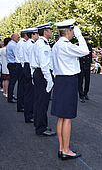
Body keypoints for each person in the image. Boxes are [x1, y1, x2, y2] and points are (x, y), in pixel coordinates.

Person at [51, 19, 89, 160]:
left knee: (61, 117)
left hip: (61, 80)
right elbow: (85, 51)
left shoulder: (56, 45)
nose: (74, 33)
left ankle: (62, 148)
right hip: (68, 81)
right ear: (68, 31)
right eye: (73, 30)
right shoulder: (66, 45)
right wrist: (80, 36)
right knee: (67, 118)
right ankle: (66, 150)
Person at [30, 22, 56, 136]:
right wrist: (49, 80)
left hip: (38, 73)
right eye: (50, 30)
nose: (51, 32)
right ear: (45, 31)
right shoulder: (42, 45)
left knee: (38, 101)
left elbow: (32, 60)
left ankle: (39, 124)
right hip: (42, 74)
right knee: (42, 102)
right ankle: (41, 128)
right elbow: (44, 64)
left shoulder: (38, 43)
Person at [22, 28, 39, 123]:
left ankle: (28, 114)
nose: (38, 36)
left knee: (28, 92)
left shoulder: (27, 43)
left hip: (26, 66)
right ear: (33, 35)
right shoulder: (32, 45)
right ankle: (29, 115)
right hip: (29, 67)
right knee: (30, 93)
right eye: (37, 34)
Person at [15, 30, 29, 112]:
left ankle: (21, 105)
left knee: (22, 86)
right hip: (21, 65)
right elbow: (21, 56)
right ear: (26, 35)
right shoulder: (22, 43)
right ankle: (21, 105)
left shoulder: (21, 42)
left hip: (20, 65)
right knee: (22, 87)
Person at [78, 34, 92, 103]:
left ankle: (86, 93)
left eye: (87, 40)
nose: (86, 41)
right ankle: (81, 95)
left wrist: (90, 64)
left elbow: (90, 55)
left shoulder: (89, 46)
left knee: (87, 80)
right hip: (80, 65)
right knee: (80, 81)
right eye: (85, 40)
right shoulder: (78, 45)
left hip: (87, 65)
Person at [6, 33, 20, 103]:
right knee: (12, 82)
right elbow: (17, 55)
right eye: (17, 37)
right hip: (13, 64)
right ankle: (10, 97)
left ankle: (11, 96)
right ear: (13, 37)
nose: (19, 38)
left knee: (12, 81)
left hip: (11, 64)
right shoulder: (13, 45)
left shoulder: (11, 44)